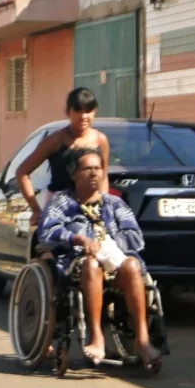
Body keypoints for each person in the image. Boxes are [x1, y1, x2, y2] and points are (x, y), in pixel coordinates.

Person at [37, 147, 161, 370]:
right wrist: (78, 239)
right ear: (74, 173)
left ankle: (142, 339)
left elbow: (135, 237)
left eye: (98, 168)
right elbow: (46, 231)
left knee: (132, 265)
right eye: (87, 168)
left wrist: (109, 244)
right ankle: (96, 337)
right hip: (77, 264)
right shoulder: (61, 202)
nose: (94, 173)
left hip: (115, 263)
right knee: (91, 264)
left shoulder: (115, 204)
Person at [15, 87, 110, 228]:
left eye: (88, 111)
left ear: (94, 111)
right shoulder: (55, 140)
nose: (84, 116)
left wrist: (103, 206)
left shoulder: (100, 140)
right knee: (55, 248)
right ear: (68, 112)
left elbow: (103, 175)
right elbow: (22, 172)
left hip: (91, 212)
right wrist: (36, 209)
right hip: (59, 212)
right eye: (78, 111)